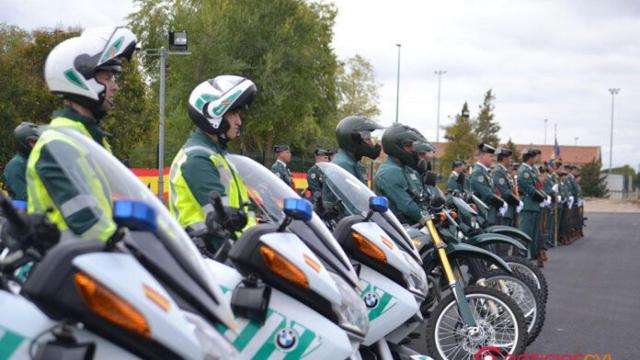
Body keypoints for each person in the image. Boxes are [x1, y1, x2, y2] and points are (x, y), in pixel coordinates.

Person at [26, 26, 137, 242]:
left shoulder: (88, 137)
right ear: (81, 78)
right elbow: (88, 222)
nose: (114, 87)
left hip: (90, 260)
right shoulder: (58, 142)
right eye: (108, 77)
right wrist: (130, 245)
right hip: (65, 265)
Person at [168, 76, 257, 252]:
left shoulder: (216, 155)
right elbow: (222, 223)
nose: (239, 121)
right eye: (233, 114)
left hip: (229, 251)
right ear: (213, 115)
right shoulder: (197, 160)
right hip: (210, 256)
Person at [374, 124, 425, 224]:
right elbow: (407, 206)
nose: (413, 149)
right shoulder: (389, 172)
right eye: (408, 145)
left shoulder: (405, 168)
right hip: (398, 229)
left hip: (410, 226)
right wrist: (427, 218)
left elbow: (419, 195)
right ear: (395, 146)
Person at [332, 115, 384, 184]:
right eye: (368, 139)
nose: (371, 143)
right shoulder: (343, 165)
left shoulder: (352, 162)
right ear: (354, 140)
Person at [518, 149, 547, 266]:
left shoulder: (531, 170)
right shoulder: (524, 171)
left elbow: (537, 186)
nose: (537, 159)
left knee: (533, 234)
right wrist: (543, 198)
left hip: (533, 205)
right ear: (530, 158)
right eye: (535, 157)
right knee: (526, 233)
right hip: (528, 205)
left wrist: (543, 196)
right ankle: (522, 257)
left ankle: (530, 256)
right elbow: (530, 188)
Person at [470, 143, 507, 226]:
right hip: (483, 215)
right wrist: (502, 203)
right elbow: (487, 194)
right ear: (482, 156)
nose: (493, 159)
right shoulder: (478, 172)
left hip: (489, 213)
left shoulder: (485, 171)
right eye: (491, 156)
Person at [3, 122, 40, 201]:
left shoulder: (40, 160)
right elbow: (25, 198)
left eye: (40, 140)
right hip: (29, 212)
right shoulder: (15, 166)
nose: (38, 144)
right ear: (22, 144)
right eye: (34, 142)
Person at [492, 148, 521, 227]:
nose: (511, 160)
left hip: (509, 209)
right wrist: (518, 201)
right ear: (504, 159)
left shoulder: (504, 172)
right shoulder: (498, 171)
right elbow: (505, 192)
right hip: (505, 210)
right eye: (510, 158)